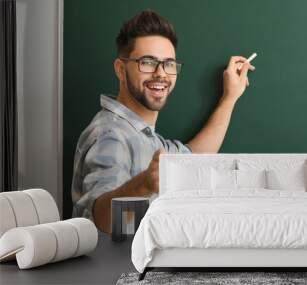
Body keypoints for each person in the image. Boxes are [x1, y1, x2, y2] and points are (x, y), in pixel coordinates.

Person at [71, 10, 255, 233]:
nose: (161, 74)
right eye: (147, 62)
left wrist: (229, 97)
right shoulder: (110, 135)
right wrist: (143, 184)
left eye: (169, 64)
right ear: (121, 69)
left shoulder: (143, 135)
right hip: (121, 268)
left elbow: (194, 157)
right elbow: (99, 219)